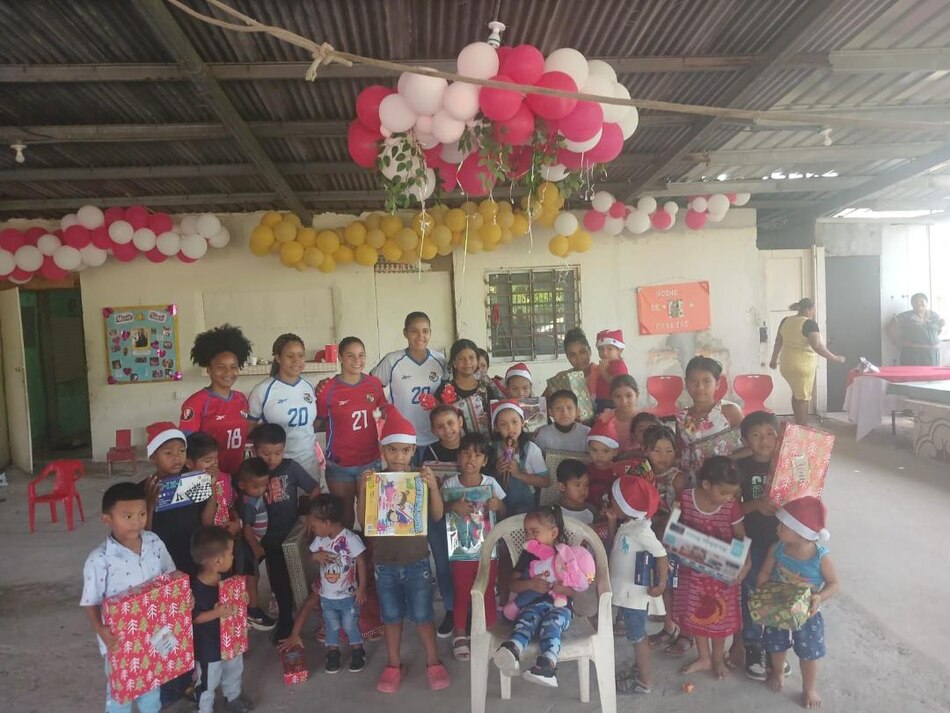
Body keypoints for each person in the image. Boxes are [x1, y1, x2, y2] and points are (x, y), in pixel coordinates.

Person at [356, 407, 450, 693]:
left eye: (405, 451)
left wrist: (433, 488)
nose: (399, 457)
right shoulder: (376, 481)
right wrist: (363, 490)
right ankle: (393, 663)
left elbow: (436, 516)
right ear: (383, 450)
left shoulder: (419, 480)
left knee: (423, 616)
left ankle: (433, 660)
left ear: (413, 451)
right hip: (384, 564)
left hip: (417, 563)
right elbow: (364, 523)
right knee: (391, 616)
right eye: (392, 450)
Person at [81, 482, 176, 713]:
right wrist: (101, 630)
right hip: (119, 640)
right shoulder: (99, 560)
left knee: (152, 686)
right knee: (120, 693)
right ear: (107, 519)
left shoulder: (154, 542)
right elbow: (90, 601)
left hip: (155, 631)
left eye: (142, 514)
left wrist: (183, 598)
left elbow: (171, 576)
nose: (137, 521)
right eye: (128, 516)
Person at [142, 422, 211, 706]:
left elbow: (206, 523)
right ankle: (171, 687)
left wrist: (211, 488)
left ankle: (192, 681)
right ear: (152, 457)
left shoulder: (193, 482)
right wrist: (148, 502)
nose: (177, 457)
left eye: (181, 451)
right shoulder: (144, 489)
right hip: (163, 573)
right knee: (167, 629)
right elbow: (140, 534)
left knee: (193, 624)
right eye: (167, 452)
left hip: (193, 563)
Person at [758, 496, 839, 709]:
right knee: (776, 644)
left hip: (807, 614)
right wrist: (761, 586)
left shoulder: (821, 557)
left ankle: (809, 688)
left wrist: (819, 596)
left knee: (809, 653)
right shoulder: (777, 548)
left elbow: (834, 584)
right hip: (778, 606)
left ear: (801, 534)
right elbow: (766, 571)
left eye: (783, 525)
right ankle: (777, 671)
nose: (777, 528)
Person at [671, 456, 748, 678]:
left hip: (721, 576)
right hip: (692, 573)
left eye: (732, 493)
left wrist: (745, 562)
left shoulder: (731, 507)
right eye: (723, 492)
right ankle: (704, 657)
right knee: (696, 614)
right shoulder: (685, 499)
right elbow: (673, 526)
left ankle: (717, 659)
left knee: (719, 617)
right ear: (705, 484)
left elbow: (741, 536)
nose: (728, 498)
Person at [279, 494, 368, 674]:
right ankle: (333, 653)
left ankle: (358, 650)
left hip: (348, 595)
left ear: (327, 523)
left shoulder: (350, 539)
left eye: (314, 526)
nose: (312, 529)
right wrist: (316, 556)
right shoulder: (320, 540)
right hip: (327, 597)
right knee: (331, 626)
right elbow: (311, 556)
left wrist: (362, 588)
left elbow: (361, 562)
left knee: (350, 625)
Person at [250, 423, 320, 644]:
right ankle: (286, 621)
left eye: (278, 453)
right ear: (254, 451)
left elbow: (314, 489)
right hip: (267, 539)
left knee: (298, 577)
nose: (272, 459)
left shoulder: (291, 467)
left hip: (291, 535)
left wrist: (310, 515)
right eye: (266, 454)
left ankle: (303, 615)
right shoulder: (251, 472)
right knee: (278, 580)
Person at [491, 506, 575, 687]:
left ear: (553, 533)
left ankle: (547, 666)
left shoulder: (566, 555)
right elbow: (513, 585)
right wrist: (531, 584)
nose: (528, 536)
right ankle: (511, 649)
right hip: (532, 605)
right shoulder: (527, 555)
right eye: (526, 532)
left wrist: (562, 589)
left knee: (552, 624)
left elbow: (576, 589)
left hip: (560, 608)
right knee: (526, 620)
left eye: (534, 532)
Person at [441, 432, 506, 660]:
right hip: (459, 550)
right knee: (462, 591)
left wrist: (498, 505)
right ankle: (460, 633)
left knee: (487, 590)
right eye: (466, 454)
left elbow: (504, 513)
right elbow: (439, 512)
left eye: (477, 455)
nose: (471, 459)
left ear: (485, 461)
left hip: (488, 550)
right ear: (458, 457)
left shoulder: (491, 484)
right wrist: (452, 506)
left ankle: (488, 630)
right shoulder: (450, 484)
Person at [316, 336, 386, 529]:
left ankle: (371, 559)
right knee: (344, 519)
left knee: (373, 517)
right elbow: (320, 421)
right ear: (340, 358)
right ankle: (349, 557)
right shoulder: (327, 389)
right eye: (350, 356)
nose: (357, 360)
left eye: (361, 355)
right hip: (341, 466)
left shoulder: (374, 384)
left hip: (370, 461)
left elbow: (383, 413)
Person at [606, 477, 667, 695]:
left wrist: (661, 583)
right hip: (626, 594)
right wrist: (612, 522)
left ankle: (644, 680)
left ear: (625, 506)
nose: (609, 501)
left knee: (637, 636)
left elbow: (661, 553)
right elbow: (616, 547)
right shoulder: (629, 526)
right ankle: (639, 671)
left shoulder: (641, 530)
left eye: (614, 500)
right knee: (635, 635)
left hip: (635, 597)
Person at [735, 411, 782, 678]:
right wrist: (756, 505)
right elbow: (731, 509)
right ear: (745, 440)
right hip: (751, 542)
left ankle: (774, 646)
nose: (764, 440)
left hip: (780, 544)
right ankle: (752, 644)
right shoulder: (741, 469)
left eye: (769, 434)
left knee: (777, 593)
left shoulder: (787, 466)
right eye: (755, 435)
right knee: (751, 591)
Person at [371, 311, 447, 464]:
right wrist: (384, 411)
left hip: (434, 436)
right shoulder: (392, 360)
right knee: (406, 486)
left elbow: (447, 393)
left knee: (431, 483)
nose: (420, 336)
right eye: (414, 331)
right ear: (405, 333)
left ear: (430, 333)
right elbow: (370, 387)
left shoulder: (440, 360)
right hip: (402, 439)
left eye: (425, 331)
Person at [248, 333, 324, 484]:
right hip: (277, 467)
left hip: (309, 464)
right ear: (277, 358)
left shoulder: (308, 387)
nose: (296, 361)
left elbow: (311, 425)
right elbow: (249, 431)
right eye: (290, 356)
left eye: (301, 355)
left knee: (308, 505)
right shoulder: (262, 390)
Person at [180, 324, 253, 478]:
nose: (228, 372)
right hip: (208, 479)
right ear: (209, 369)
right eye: (221, 367)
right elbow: (188, 446)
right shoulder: (196, 403)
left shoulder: (241, 399)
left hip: (237, 475)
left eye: (233, 367)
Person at [190, 526, 249, 713]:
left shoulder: (225, 577)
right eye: (230, 553)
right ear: (217, 560)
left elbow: (234, 600)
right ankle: (203, 708)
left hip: (231, 639)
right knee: (208, 680)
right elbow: (194, 618)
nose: (233, 557)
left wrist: (242, 598)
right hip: (209, 647)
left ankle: (232, 697)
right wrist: (216, 614)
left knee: (234, 669)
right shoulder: (194, 589)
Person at [419, 403, 464, 637]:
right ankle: (450, 610)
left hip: (467, 519)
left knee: (466, 565)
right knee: (444, 566)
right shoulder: (429, 453)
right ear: (433, 430)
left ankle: (468, 609)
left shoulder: (471, 448)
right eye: (440, 426)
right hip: (437, 519)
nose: (447, 430)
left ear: (460, 423)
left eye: (451, 423)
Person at [641, 424, 687, 650]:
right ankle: (669, 627)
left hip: (672, 540)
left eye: (669, 451)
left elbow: (681, 513)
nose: (663, 456)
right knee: (660, 584)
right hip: (650, 538)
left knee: (675, 585)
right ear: (646, 451)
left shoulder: (677, 478)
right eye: (657, 450)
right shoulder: (641, 475)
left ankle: (680, 630)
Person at [770, 299, 846, 425]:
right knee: (802, 398)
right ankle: (802, 428)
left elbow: (778, 342)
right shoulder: (809, 324)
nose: (814, 312)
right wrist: (835, 358)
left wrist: (773, 359)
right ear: (808, 309)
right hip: (802, 367)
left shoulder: (786, 321)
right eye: (814, 309)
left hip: (786, 365)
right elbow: (817, 346)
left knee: (796, 394)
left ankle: (798, 424)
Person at [677, 356, 744, 478]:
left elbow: (750, 447)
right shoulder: (683, 417)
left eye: (706, 381)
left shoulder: (728, 411)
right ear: (686, 383)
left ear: (717, 383)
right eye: (693, 381)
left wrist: (724, 459)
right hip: (695, 483)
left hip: (725, 482)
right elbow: (681, 452)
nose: (700, 387)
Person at [234, 457, 276, 630]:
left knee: (253, 576)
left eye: (263, 485)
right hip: (248, 546)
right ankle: (252, 612)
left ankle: (249, 608)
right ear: (243, 485)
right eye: (256, 487)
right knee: (252, 576)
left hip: (252, 545)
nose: (261, 490)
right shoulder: (248, 504)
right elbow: (247, 530)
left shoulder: (254, 497)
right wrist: (256, 548)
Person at [491, 400, 550, 517]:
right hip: (499, 505)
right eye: (503, 424)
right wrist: (496, 472)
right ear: (496, 427)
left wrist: (518, 474)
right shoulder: (492, 449)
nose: (510, 428)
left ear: (522, 422)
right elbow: (484, 479)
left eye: (514, 422)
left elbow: (545, 482)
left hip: (525, 506)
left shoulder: (531, 449)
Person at [435, 338, 503, 432]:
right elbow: (437, 420)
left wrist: (491, 419)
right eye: (461, 358)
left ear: (477, 361)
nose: (467, 362)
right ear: (454, 363)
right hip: (456, 444)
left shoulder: (486, 388)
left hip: (484, 444)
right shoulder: (445, 390)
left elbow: (498, 415)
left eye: (471, 358)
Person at [889, 292, 945, 366]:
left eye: (921, 301)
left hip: (932, 353)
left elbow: (939, 327)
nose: (919, 304)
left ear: (926, 303)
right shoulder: (905, 316)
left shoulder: (934, 315)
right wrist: (896, 340)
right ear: (912, 304)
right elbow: (892, 325)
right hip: (912, 353)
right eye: (915, 302)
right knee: (911, 375)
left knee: (930, 376)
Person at [585, 418, 621, 509]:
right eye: (594, 450)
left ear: (615, 452)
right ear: (588, 449)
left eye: (605, 451)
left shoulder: (620, 472)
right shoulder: (585, 470)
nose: (599, 456)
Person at [602, 374, 640, 455]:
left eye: (629, 396)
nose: (624, 401)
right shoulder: (606, 418)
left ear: (637, 395)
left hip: (639, 464)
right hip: (612, 463)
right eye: (618, 396)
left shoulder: (645, 420)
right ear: (611, 397)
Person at [594, 329, 629, 413]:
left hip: (611, 402)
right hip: (602, 399)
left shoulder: (618, 364)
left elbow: (617, 383)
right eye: (601, 349)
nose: (604, 353)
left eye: (609, 349)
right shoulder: (607, 363)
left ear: (619, 351)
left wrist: (603, 372)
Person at [554, 459, 599, 525]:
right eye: (577, 485)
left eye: (586, 485)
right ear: (562, 487)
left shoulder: (592, 511)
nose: (583, 490)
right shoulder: (553, 511)